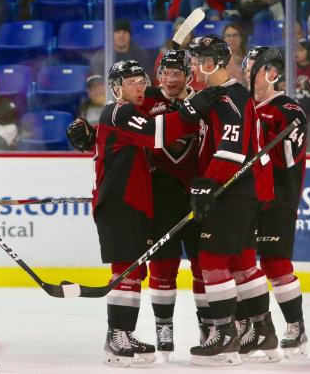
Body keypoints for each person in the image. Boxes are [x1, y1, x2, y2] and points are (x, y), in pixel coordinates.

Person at [66, 60, 225, 367]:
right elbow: (159, 133)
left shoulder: (124, 114)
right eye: (131, 82)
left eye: (142, 81)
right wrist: (192, 109)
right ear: (116, 88)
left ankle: (124, 332)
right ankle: (116, 337)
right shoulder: (119, 111)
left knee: (134, 270)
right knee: (125, 269)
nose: (140, 86)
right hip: (118, 202)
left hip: (135, 202)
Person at [185, 34, 276, 366]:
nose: (194, 69)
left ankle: (224, 336)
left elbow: (232, 150)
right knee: (241, 262)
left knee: (210, 258)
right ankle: (264, 331)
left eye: (196, 63)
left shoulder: (228, 99)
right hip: (242, 190)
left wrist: (208, 184)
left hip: (233, 190)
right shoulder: (225, 95)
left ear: (211, 64)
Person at [243, 46, 309, 359]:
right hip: (244, 198)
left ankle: (296, 327)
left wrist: (257, 130)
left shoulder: (289, 111)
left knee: (274, 264)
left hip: (277, 198)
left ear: (271, 73)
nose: (247, 73)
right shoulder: (241, 107)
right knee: (240, 264)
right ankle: (250, 327)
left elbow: (287, 158)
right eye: (246, 67)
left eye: (253, 68)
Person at [139, 50, 204, 360]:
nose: (171, 79)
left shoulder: (203, 104)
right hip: (161, 193)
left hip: (199, 194)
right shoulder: (147, 101)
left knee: (204, 263)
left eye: (177, 73)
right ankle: (163, 327)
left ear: (188, 75)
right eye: (166, 73)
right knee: (163, 263)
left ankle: (209, 327)